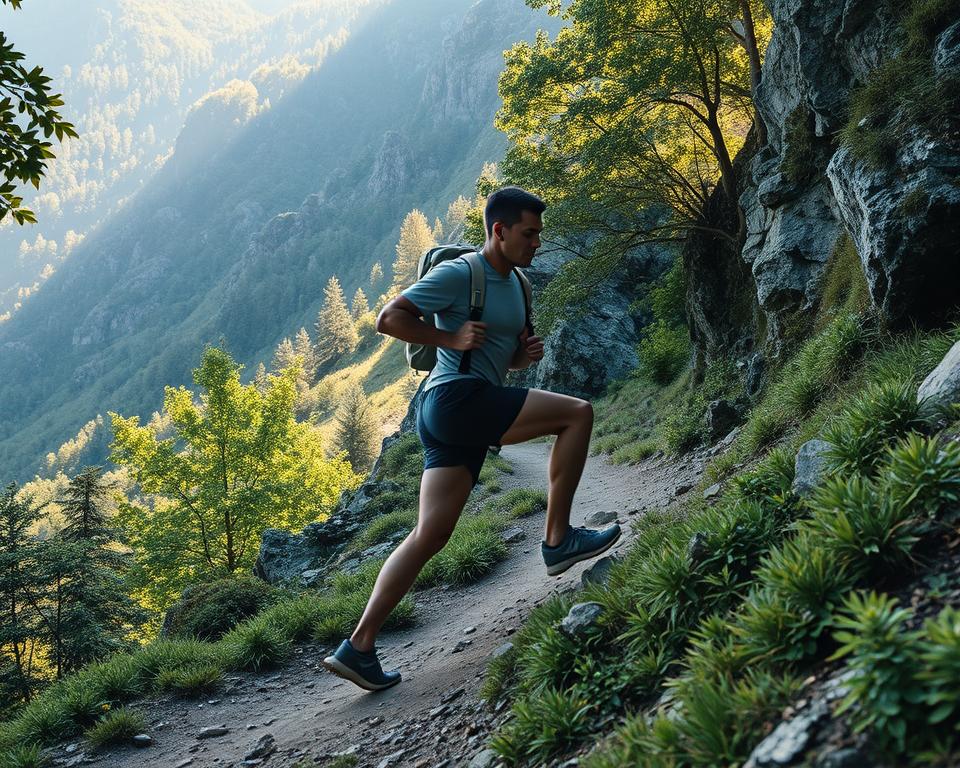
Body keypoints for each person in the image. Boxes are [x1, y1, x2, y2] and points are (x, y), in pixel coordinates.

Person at [321, 186, 621, 691]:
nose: (536, 243)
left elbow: (498, 357)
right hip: (456, 399)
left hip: (455, 408)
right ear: (498, 230)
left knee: (430, 534)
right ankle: (558, 540)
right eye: (529, 233)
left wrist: (519, 358)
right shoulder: (461, 273)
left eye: (539, 234)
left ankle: (358, 647)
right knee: (577, 415)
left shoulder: (519, 284)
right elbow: (389, 318)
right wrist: (447, 338)